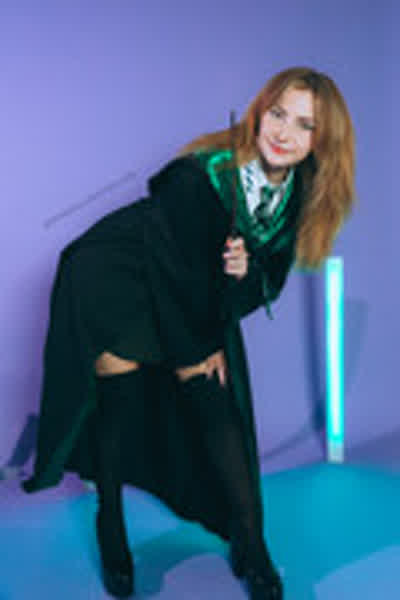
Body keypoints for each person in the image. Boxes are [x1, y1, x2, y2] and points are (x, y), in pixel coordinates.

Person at [21, 66, 356, 599]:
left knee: (219, 407)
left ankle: (253, 545)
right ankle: (111, 526)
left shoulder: (298, 195)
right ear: (259, 112)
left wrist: (243, 273)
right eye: (277, 113)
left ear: (322, 141)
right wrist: (202, 347)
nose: (284, 132)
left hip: (186, 293)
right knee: (122, 400)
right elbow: (175, 272)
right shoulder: (200, 175)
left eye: (304, 124)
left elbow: (265, 281)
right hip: (118, 279)